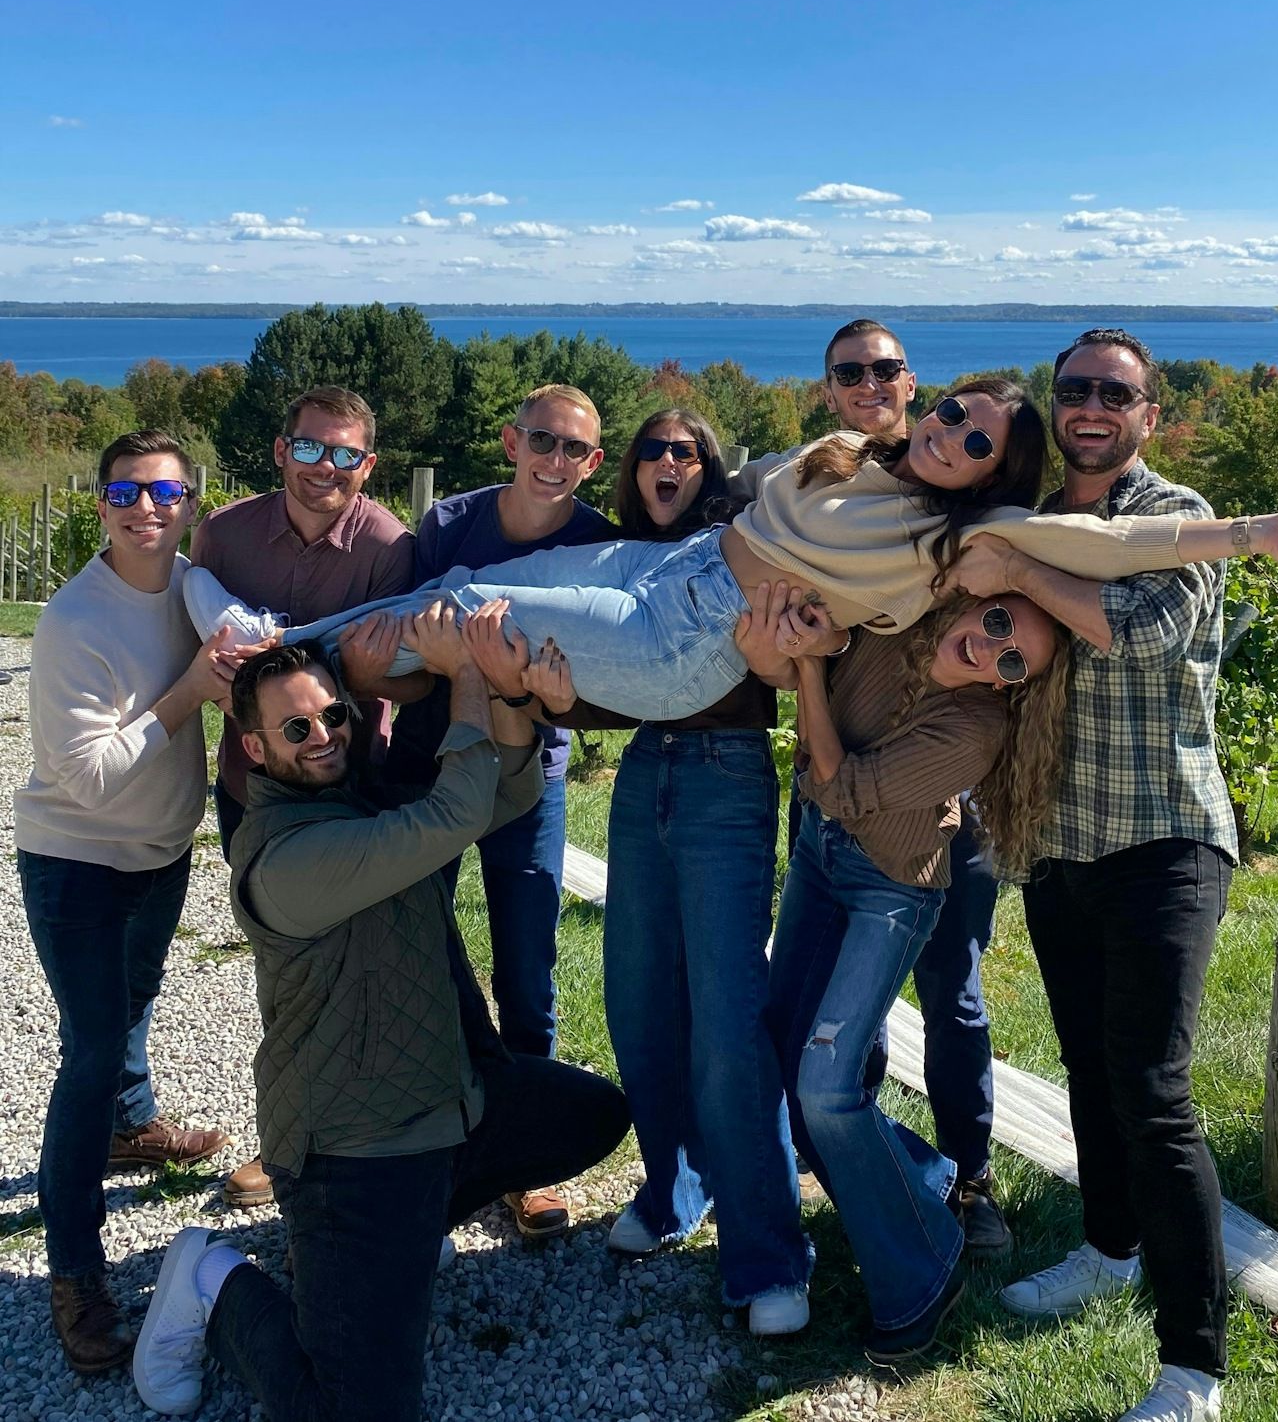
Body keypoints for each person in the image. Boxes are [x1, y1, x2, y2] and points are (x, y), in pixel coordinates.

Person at [185, 381, 1278, 724]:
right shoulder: (852, 451)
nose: (948, 433)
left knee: (470, 609)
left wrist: (1256, 531)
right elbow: (724, 491)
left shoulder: (969, 537)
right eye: (948, 412)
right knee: (451, 587)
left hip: (690, 639)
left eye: (977, 440)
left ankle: (272, 657)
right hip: (664, 572)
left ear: (995, 468)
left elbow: (1121, 536)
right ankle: (282, 658)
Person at [132, 628, 631, 1422]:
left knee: (593, 1113)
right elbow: (459, 808)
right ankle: (209, 1280)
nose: (323, 734)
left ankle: (408, 1236)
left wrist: (507, 694)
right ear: (255, 750)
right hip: (350, 1155)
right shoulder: (287, 856)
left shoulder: (358, 796)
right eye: (297, 728)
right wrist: (468, 668)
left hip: (444, 1103)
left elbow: (510, 793)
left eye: (333, 713)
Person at [952, 329, 1247, 1422]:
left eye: (1112, 393)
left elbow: (1144, 632)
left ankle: (1194, 1367)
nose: (1089, 406)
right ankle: (1109, 1245)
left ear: (1147, 413)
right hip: (1062, 839)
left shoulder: (1181, 514)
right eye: (1073, 388)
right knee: (1087, 1064)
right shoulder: (1026, 498)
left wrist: (1023, 566)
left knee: (1155, 1093)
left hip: (1165, 836)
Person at [493, 410, 813, 1334]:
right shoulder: (619, 558)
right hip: (648, 777)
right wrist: (553, 699)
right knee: (635, 1000)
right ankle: (676, 1187)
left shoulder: (740, 538)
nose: (667, 463)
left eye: (685, 452)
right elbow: (612, 695)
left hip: (726, 778)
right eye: (651, 452)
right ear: (628, 471)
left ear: (708, 467)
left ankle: (769, 1258)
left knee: (725, 1021)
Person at [766, 589, 1071, 1365]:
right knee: (789, 1059)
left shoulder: (976, 727)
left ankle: (924, 1265)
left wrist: (808, 670)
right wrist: (816, 650)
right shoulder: (896, 619)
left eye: (1011, 661)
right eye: (996, 620)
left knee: (830, 1087)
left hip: (892, 888)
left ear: (1011, 687)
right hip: (819, 853)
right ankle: (922, 1178)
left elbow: (845, 785)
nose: (988, 647)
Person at [375, 383, 617, 1241]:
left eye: (575, 451)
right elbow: (403, 646)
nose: (555, 461)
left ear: (593, 463)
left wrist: (506, 681)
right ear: (512, 442)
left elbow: (591, 679)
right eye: (542, 441)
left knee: (526, 956)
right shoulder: (447, 525)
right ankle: (415, 1132)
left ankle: (531, 1155)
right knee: (411, 945)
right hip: (428, 765)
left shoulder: (597, 540)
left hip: (526, 772)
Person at [15, 430, 234, 1373]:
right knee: (91, 1045)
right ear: (100, 504)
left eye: (167, 491)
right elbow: (96, 778)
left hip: (162, 852)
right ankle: (75, 1274)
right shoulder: (73, 621)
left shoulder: (191, 584)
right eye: (128, 492)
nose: (148, 508)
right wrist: (192, 689)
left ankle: (129, 1126)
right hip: (78, 861)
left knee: (137, 1004)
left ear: (191, 501)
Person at [191, 382, 414, 1209]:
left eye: (346, 453)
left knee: (383, 964)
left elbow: (400, 669)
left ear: (368, 464)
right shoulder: (223, 534)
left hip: (355, 785)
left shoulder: (390, 547)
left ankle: (391, 1131)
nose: (327, 467)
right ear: (282, 450)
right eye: (312, 448)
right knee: (285, 972)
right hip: (252, 787)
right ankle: (286, 1137)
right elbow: (194, 641)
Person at [815, 317, 1012, 1253]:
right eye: (852, 371)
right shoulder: (853, 486)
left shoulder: (987, 527)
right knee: (858, 1004)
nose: (871, 383)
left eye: (885, 369)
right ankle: (892, 1170)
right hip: (843, 786)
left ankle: (967, 1179)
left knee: (952, 991)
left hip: (949, 802)